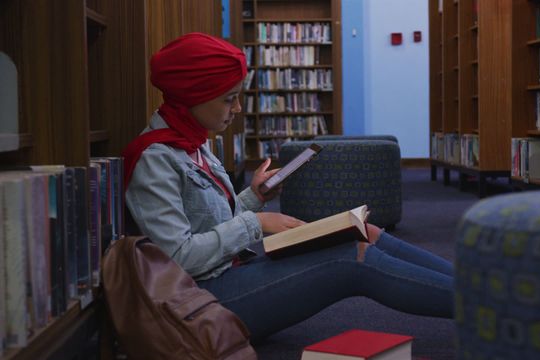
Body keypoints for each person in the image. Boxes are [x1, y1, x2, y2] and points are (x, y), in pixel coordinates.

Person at [123, 32, 453, 341]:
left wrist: (254, 197)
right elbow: (178, 258)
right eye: (229, 99)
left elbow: (210, 221)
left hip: (231, 271)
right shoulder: (155, 159)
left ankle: (478, 286)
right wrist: (256, 222)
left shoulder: (192, 141)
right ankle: (486, 306)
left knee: (365, 232)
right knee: (355, 260)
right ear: (194, 95)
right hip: (205, 301)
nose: (237, 109)